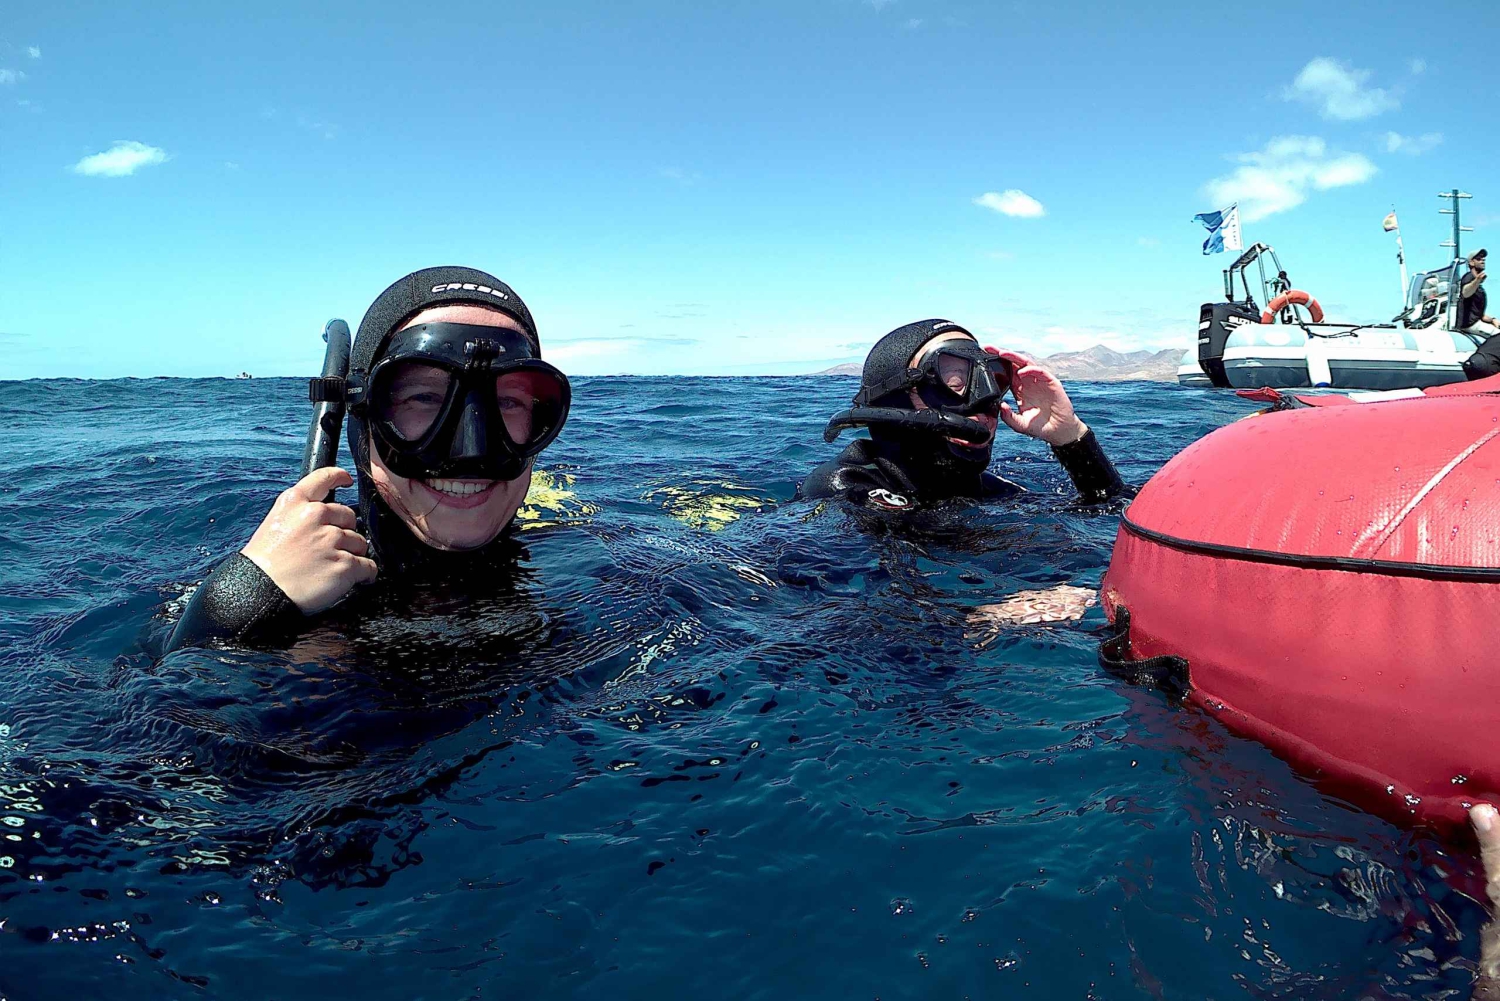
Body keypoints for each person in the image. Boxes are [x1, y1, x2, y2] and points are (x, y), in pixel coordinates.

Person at [165, 266, 571, 652]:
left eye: (509, 402)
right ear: (363, 418)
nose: (472, 451)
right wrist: (247, 599)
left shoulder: (588, 566)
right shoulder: (278, 573)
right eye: (423, 398)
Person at [798, 318, 1127, 510]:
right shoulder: (844, 488)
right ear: (895, 399)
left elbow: (1112, 516)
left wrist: (1070, 436)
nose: (984, 403)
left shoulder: (988, 490)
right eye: (955, 383)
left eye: (995, 381)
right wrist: (1001, 608)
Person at [1458, 249, 1500, 380]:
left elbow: (1480, 315)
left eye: (1483, 258)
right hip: (1470, 324)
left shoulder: (1478, 286)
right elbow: (1465, 292)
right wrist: (1477, 280)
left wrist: (1493, 319)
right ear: (1471, 262)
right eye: (1479, 258)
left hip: (1476, 321)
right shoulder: (1469, 278)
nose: (1483, 260)